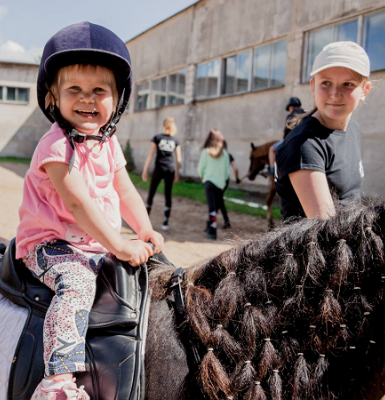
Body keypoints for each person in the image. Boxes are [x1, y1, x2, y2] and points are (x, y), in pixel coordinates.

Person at [15, 22, 164, 400]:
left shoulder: (108, 144)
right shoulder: (55, 147)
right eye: (75, 90)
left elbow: (124, 189)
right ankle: (57, 381)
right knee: (77, 285)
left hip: (94, 244)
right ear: (53, 97)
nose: (87, 99)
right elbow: (77, 202)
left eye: (100, 90)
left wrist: (144, 230)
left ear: (118, 99)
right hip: (50, 244)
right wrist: (118, 243)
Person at [275, 41, 372, 221]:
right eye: (326, 83)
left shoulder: (353, 129)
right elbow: (326, 232)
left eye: (348, 84)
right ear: (313, 87)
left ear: (365, 90)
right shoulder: (304, 146)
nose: (335, 94)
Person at [141, 117, 181, 230]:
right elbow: (179, 160)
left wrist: (145, 170)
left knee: (151, 192)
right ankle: (165, 223)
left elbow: (150, 155)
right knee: (168, 195)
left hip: (159, 168)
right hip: (170, 169)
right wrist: (177, 173)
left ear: (163, 126)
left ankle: (146, 221)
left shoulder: (157, 138)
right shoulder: (175, 141)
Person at [198, 130, 233, 240]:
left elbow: (200, 168)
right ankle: (211, 229)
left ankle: (212, 232)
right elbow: (226, 172)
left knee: (212, 208)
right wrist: (223, 183)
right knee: (216, 206)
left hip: (209, 182)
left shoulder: (205, 152)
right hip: (219, 184)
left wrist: (202, 176)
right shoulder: (225, 154)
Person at [260, 97, 305, 178]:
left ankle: (272, 170)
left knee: (272, 149)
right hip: (305, 140)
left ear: (290, 107)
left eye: (289, 108)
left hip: (292, 141)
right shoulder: (306, 113)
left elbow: (287, 132)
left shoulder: (290, 115)